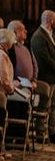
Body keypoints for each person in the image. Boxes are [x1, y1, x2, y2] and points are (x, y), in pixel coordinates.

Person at [31, 10, 55, 141]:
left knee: (52, 106)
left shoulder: (49, 34)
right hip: (46, 77)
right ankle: (40, 132)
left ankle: (51, 131)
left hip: (52, 77)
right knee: (44, 105)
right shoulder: (39, 36)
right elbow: (44, 59)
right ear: (51, 20)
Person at [7, 20, 38, 89]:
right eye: (22, 29)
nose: (26, 31)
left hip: (30, 84)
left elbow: (34, 63)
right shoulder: (10, 47)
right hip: (16, 86)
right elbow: (8, 67)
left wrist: (34, 80)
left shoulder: (27, 45)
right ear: (14, 32)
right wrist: (13, 80)